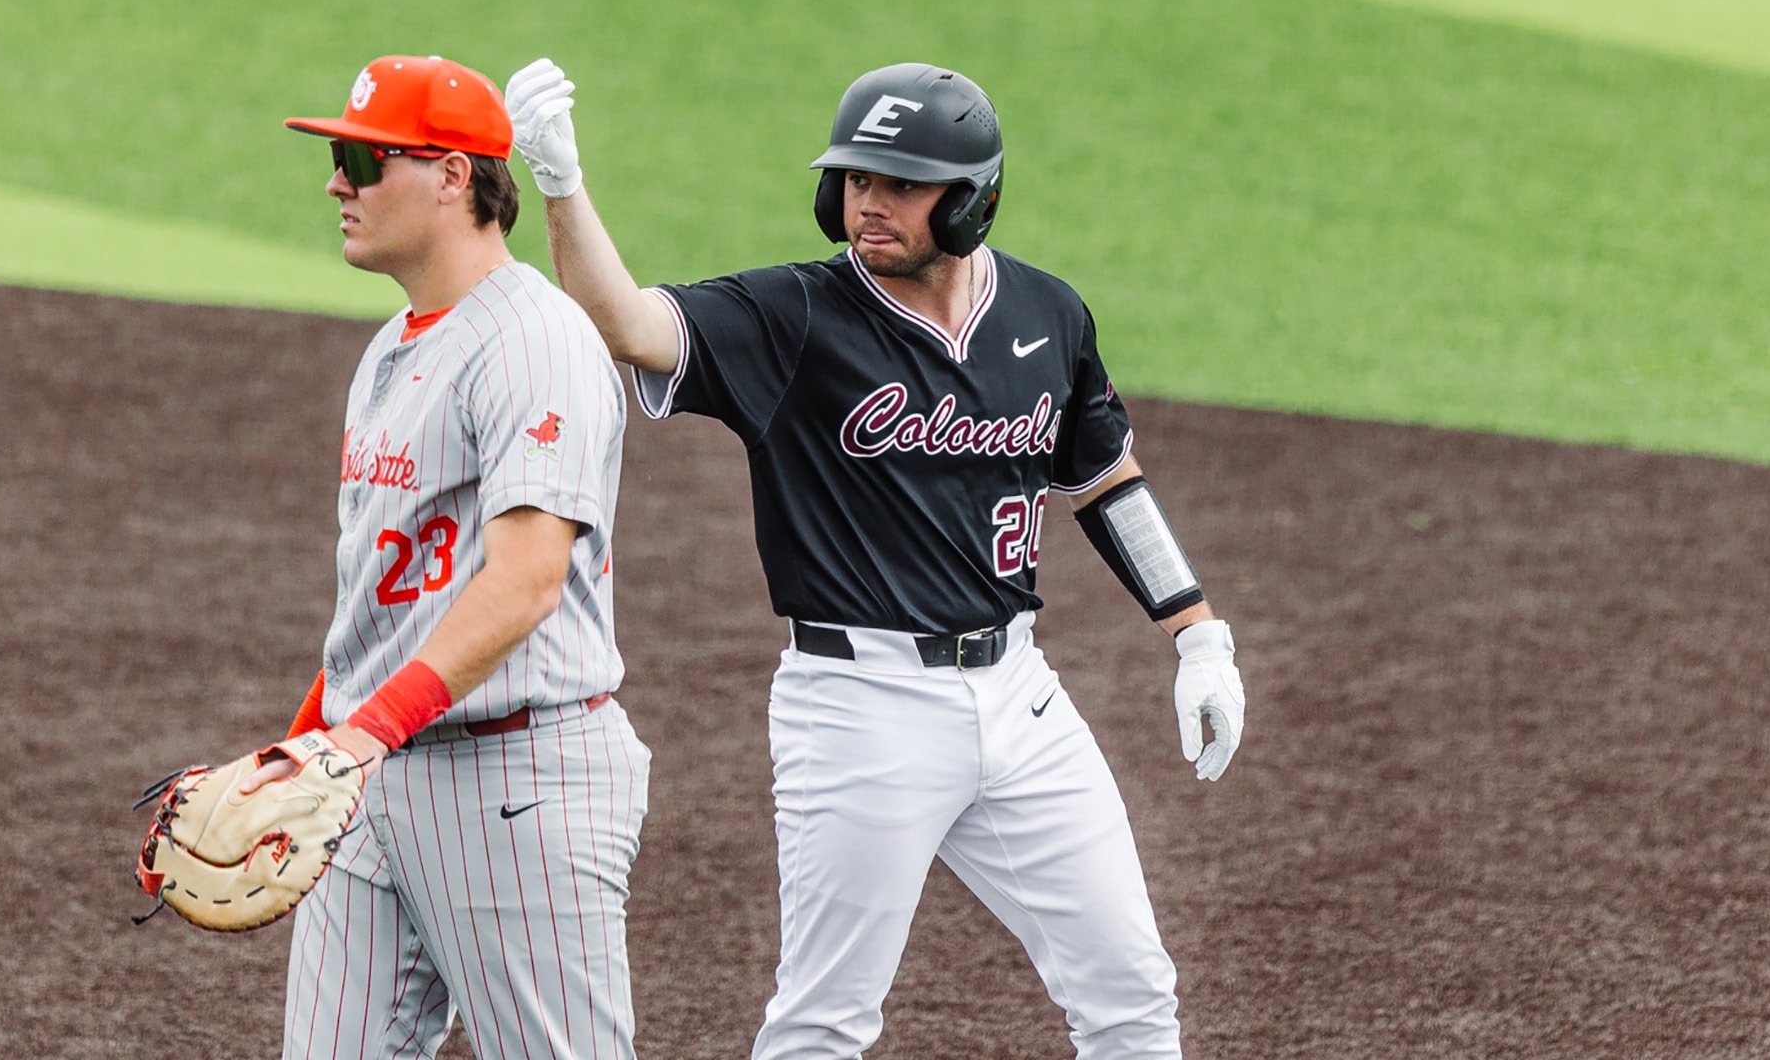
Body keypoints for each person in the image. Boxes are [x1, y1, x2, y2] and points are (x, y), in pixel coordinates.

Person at [506, 58, 1247, 1058]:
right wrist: (559, 180)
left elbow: (1107, 480)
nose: (869, 204)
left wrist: (1197, 635)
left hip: (1023, 701)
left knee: (1133, 999)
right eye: (856, 180)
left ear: (971, 199)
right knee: (823, 1023)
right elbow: (626, 324)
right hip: (861, 713)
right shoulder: (793, 318)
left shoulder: (1048, 316)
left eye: (901, 184)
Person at [253, 54, 649, 1059]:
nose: (337, 183)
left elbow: (524, 581)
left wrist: (360, 736)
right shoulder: (392, 346)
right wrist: (302, 745)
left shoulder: (535, 342)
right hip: (375, 773)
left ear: (453, 175)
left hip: (514, 775)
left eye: (360, 158)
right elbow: (387, 602)